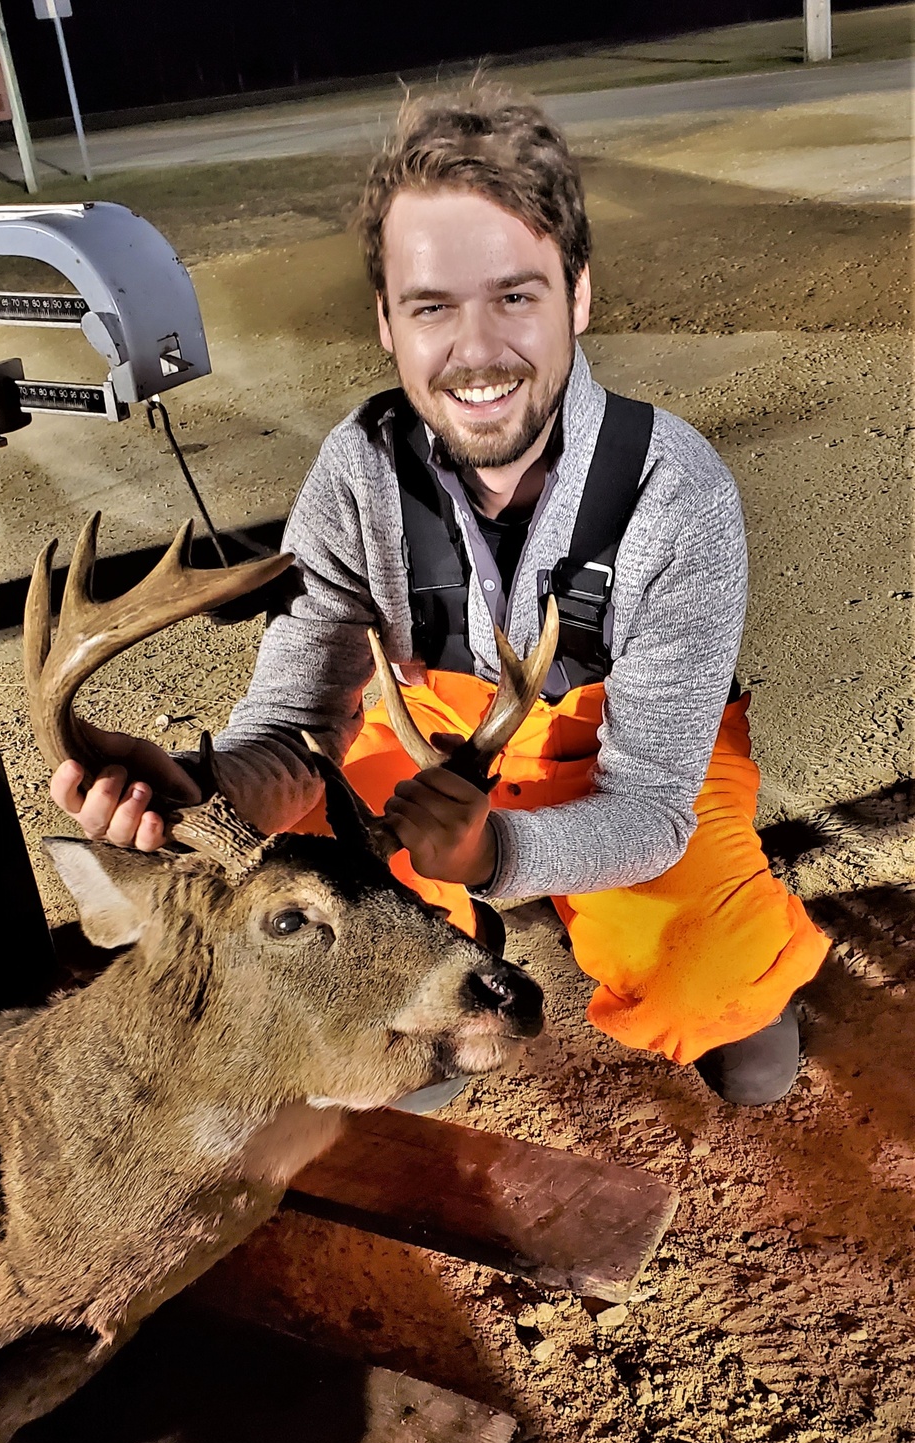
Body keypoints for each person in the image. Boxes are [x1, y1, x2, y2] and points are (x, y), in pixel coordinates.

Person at [51, 83, 829, 1105]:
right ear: (386, 320)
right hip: (422, 756)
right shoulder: (357, 476)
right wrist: (208, 789)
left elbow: (648, 804)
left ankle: (668, 941)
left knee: (745, 1050)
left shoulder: (673, 489)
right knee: (379, 1007)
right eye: (431, 306)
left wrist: (495, 846)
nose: (476, 350)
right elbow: (297, 726)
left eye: (515, 295)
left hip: (620, 765)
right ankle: (461, 947)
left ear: (577, 295)